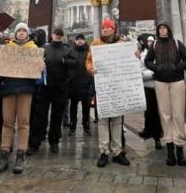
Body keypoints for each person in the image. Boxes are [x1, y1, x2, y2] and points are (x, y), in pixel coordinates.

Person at [0, 22, 44, 175]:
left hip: (26, 89)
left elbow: (40, 74)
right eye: (18, 31)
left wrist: (41, 68)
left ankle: (21, 154)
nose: (21, 33)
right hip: (8, 89)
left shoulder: (34, 50)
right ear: (15, 33)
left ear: (27, 34)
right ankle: (4, 154)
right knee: (7, 122)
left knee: (24, 122)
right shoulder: (7, 49)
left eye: (23, 31)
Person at [144, 22, 186, 167]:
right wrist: (156, 68)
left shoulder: (177, 43)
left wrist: (177, 67)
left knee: (178, 114)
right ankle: (170, 150)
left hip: (177, 81)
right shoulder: (155, 45)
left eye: (164, 28)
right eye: (160, 29)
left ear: (169, 30)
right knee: (165, 115)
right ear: (158, 31)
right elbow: (147, 61)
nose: (162, 30)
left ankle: (180, 149)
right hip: (161, 82)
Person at [86, 19, 131, 168]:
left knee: (117, 120)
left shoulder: (121, 44)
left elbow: (129, 59)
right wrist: (90, 69)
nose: (105, 29)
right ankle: (104, 151)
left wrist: (135, 53)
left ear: (114, 30)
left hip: (117, 87)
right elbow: (89, 60)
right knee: (103, 120)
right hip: (103, 88)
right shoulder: (95, 44)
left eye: (108, 27)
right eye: (103, 27)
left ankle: (117, 152)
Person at [29, 28, 76, 155]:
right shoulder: (44, 48)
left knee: (57, 116)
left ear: (62, 36)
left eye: (60, 35)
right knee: (40, 115)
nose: (58, 36)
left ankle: (54, 141)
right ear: (52, 35)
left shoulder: (67, 49)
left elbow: (75, 62)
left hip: (60, 87)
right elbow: (34, 62)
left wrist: (65, 61)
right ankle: (35, 142)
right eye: (56, 34)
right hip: (44, 87)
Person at [137, 35, 162, 149]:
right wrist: (153, 74)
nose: (150, 43)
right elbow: (140, 71)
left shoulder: (160, 52)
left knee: (158, 111)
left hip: (159, 86)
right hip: (147, 86)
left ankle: (158, 133)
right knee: (148, 111)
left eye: (152, 41)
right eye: (147, 41)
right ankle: (148, 130)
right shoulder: (142, 55)